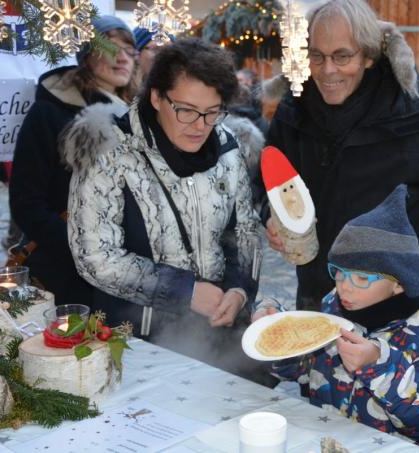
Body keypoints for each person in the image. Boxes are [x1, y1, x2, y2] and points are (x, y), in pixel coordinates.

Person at [258, 0, 419, 316]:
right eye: (316, 56)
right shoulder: (292, 114)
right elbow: (268, 182)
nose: (327, 69)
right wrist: (271, 216)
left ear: (369, 56)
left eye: (342, 56)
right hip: (319, 301)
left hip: (400, 312)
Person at [60, 38, 273, 386]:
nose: (200, 125)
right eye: (186, 109)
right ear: (157, 97)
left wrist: (239, 290)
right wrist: (185, 291)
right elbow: (95, 256)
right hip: (137, 339)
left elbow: (245, 231)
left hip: (220, 335)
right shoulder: (111, 150)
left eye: (212, 111)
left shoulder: (228, 148)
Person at [255, 185, 419, 448]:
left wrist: (379, 365)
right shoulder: (336, 305)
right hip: (329, 442)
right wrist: (279, 333)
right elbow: (305, 369)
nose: (344, 286)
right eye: (339, 272)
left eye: (362, 278)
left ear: (399, 283)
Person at [9, 15, 137, 306]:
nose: (121, 58)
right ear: (87, 56)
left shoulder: (137, 116)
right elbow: (26, 203)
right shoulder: (49, 113)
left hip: (128, 274)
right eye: (109, 48)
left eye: (129, 50)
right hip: (66, 274)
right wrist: (87, 244)